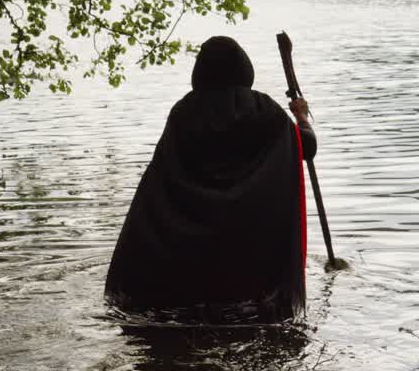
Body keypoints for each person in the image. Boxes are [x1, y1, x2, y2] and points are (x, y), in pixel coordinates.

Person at [104, 36, 316, 323]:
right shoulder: (265, 111)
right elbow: (307, 147)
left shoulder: (184, 112)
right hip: (249, 250)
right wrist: (302, 117)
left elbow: (160, 182)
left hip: (185, 253)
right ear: (244, 68)